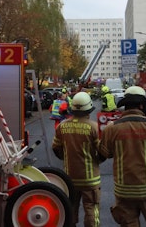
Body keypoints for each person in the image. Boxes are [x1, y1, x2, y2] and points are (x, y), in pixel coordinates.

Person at [98, 86, 146, 227]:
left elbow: (102, 155)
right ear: (141, 105)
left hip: (124, 191)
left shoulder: (112, 128)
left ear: (125, 105)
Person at [52, 92, 104, 227]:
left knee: (70, 209)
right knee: (91, 208)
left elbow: (56, 148)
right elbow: (103, 152)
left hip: (69, 179)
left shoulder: (62, 126)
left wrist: (65, 159)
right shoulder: (94, 127)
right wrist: (97, 161)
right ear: (88, 110)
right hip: (90, 179)